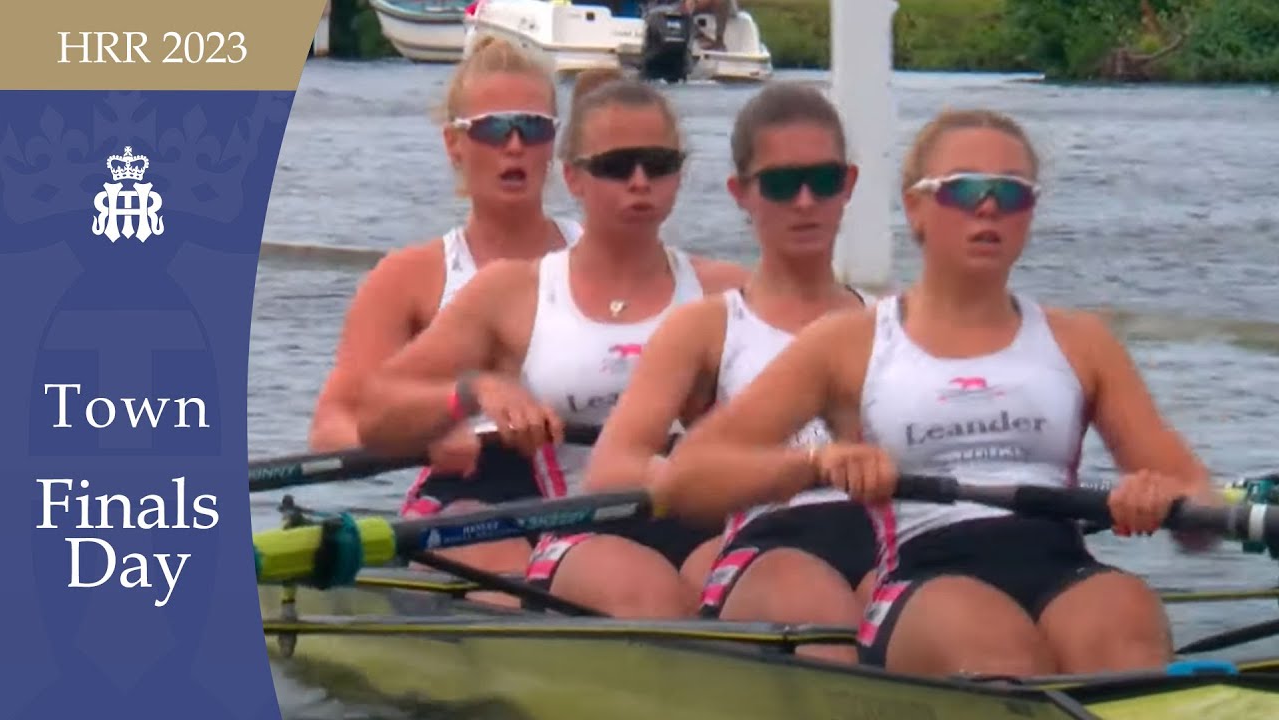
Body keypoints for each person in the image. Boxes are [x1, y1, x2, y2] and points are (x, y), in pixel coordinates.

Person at [655, 107, 1219, 677]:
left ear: (1030, 213)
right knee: (998, 650)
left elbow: (1197, 498)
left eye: (1012, 192)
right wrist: (815, 465)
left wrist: (1166, 502)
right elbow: (689, 478)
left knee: (1128, 623)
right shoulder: (848, 343)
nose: (989, 206)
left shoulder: (1083, 342)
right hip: (923, 578)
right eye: (963, 190)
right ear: (915, 207)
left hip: (1060, 564)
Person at [355, 69, 748, 615]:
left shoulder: (725, 290)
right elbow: (373, 413)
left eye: (658, 165)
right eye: (615, 167)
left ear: (679, 177)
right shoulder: (513, 291)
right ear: (574, 179)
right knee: (648, 595)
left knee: (764, 589)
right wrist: (472, 393)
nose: (639, 181)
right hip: (570, 527)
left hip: (690, 518)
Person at [585, 82, 876, 662]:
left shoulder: (891, 324)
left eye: (821, 182)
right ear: (741, 193)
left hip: (881, 546)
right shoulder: (707, 328)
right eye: (779, 183)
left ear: (848, 186)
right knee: (825, 614)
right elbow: (610, 471)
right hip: (767, 548)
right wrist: (772, 470)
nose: (803, 202)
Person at [307, 37, 581, 581]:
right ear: (454, 143)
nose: (515, 146)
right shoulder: (410, 277)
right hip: (467, 495)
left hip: (591, 486)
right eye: (493, 128)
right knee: (504, 562)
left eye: (533, 128)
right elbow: (332, 425)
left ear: (554, 143)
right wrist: (425, 438)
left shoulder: (601, 258)